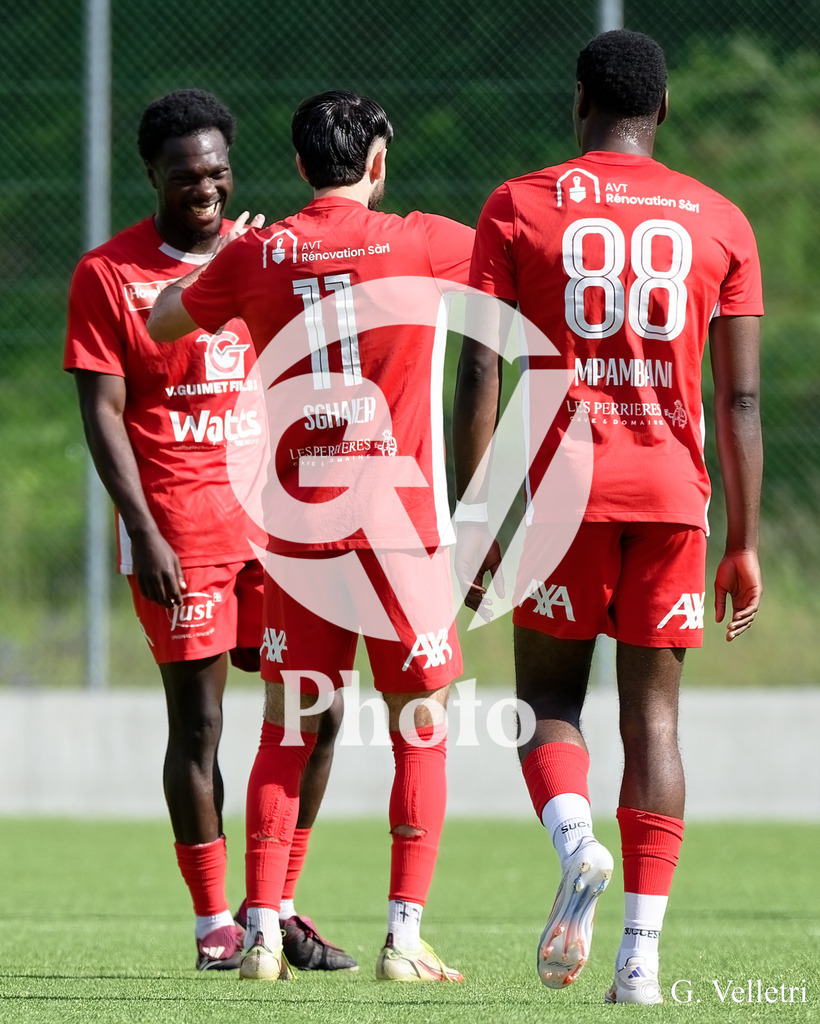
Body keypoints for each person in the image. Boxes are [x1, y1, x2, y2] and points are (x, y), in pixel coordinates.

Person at [454, 30, 762, 1004]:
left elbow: (477, 367)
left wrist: (473, 512)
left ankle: (576, 841)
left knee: (548, 704)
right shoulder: (720, 220)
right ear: (661, 110)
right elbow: (740, 404)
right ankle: (641, 960)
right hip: (671, 498)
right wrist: (744, 542)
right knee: (653, 722)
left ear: (576, 99)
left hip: (560, 495)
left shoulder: (517, 204)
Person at [147, 89, 474, 983]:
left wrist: (229, 267)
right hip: (401, 533)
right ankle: (404, 939)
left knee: (286, 731)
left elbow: (160, 323)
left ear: (296, 168)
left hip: (299, 535)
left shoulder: (258, 252)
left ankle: (258, 934)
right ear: (376, 162)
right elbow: (516, 278)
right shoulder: (424, 241)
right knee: (422, 730)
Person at [64, 88, 355, 974]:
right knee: (200, 729)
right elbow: (103, 415)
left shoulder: (258, 253)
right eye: (187, 175)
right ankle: (213, 925)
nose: (206, 189)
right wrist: (141, 531)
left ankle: (276, 906)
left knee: (319, 708)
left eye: (219, 173)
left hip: (272, 527)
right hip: (178, 530)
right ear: (152, 174)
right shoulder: (108, 275)